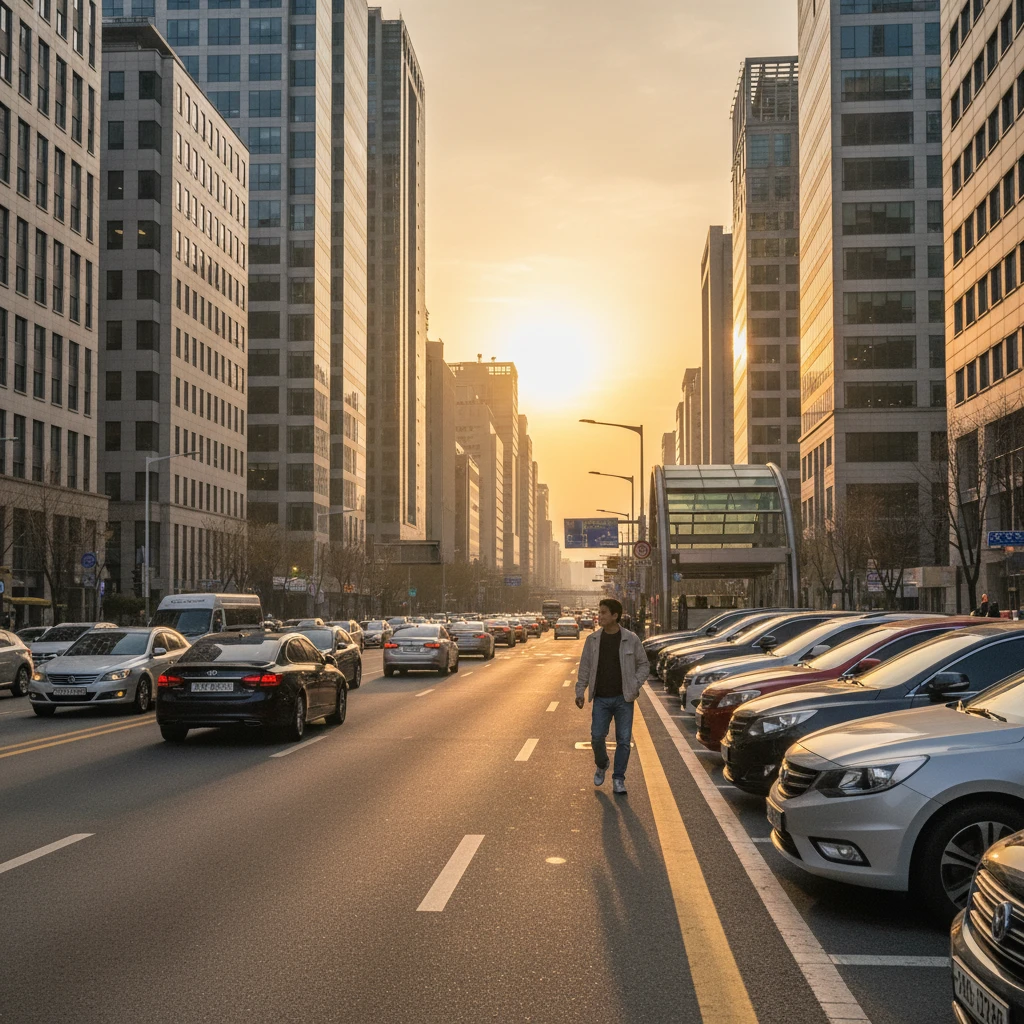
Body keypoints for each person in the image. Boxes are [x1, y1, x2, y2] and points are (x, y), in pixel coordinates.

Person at [574, 597, 650, 795]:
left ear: (615, 616)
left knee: (623, 740)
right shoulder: (593, 640)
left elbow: (644, 665)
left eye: (604, 613)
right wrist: (579, 690)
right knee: (597, 737)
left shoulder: (631, 639)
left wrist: (634, 684)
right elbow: (585, 667)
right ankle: (602, 763)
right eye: (599, 612)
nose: (600, 616)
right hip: (601, 698)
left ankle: (618, 779)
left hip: (624, 698)